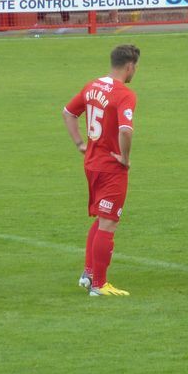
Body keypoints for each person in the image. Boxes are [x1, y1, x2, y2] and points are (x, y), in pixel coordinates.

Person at [62, 44, 141, 296]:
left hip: (92, 163)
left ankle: (89, 273)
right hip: (110, 167)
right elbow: (126, 130)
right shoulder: (124, 94)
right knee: (108, 223)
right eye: (135, 67)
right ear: (129, 66)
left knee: (101, 218)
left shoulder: (92, 86)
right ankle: (99, 285)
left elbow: (68, 112)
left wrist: (79, 144)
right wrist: (125, 157)